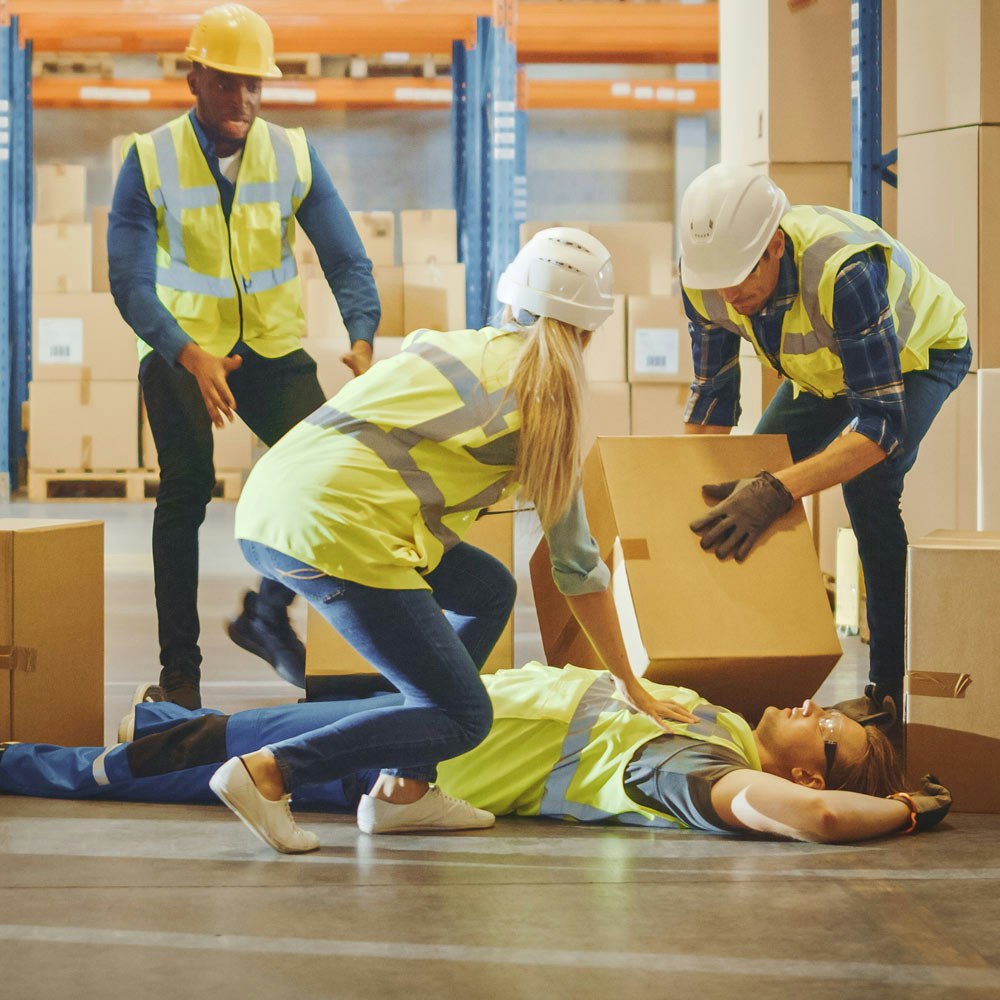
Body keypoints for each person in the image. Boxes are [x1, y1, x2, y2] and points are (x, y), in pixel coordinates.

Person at [208, 226, 705, 852]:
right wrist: (632, 685)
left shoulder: (449, 345)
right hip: (334, 531)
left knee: (487, 587)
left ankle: (402, 793)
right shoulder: (545, 404)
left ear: (510, 301)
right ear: (589, 331)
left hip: (267, 506)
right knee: (464, 716)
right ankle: (270, 772)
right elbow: (576, 566)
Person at [108, 3, 381, 711]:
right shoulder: (148, 158)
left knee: (324, 473)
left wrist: (361, 336)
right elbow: (130, 282)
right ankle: (181, 672)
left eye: (255, 85)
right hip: (178, 346)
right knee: (186, 493)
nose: (243, 101)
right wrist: (185, 351)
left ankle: (267, 613)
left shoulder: (291, 152)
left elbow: (346, 257)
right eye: (227, 84)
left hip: (268, 346)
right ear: (193, 78)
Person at [0, 663, 952, 849]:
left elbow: (821, 822)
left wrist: (907, 809)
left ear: (805, 771)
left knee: (192, 762)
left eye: (828, 729)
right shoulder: (709, 720)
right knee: (229, 728)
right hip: (422, 715)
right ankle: (163, 716)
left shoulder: (688, 768)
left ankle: (23, 761)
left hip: (404, 763)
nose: (814, 705)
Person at [678, 163, 972, 725]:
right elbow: (712, 406)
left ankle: (888, 693)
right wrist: (685, 496)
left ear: (776, 246)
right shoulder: (707, 281)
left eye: (742, 274)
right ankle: (745, 660)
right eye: (718, 279)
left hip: (920, 355)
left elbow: (879, 426)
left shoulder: (844, 270)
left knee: (867, 486)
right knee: (745, 478)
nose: (730, 293)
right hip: (832, 373)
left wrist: (777, 490)